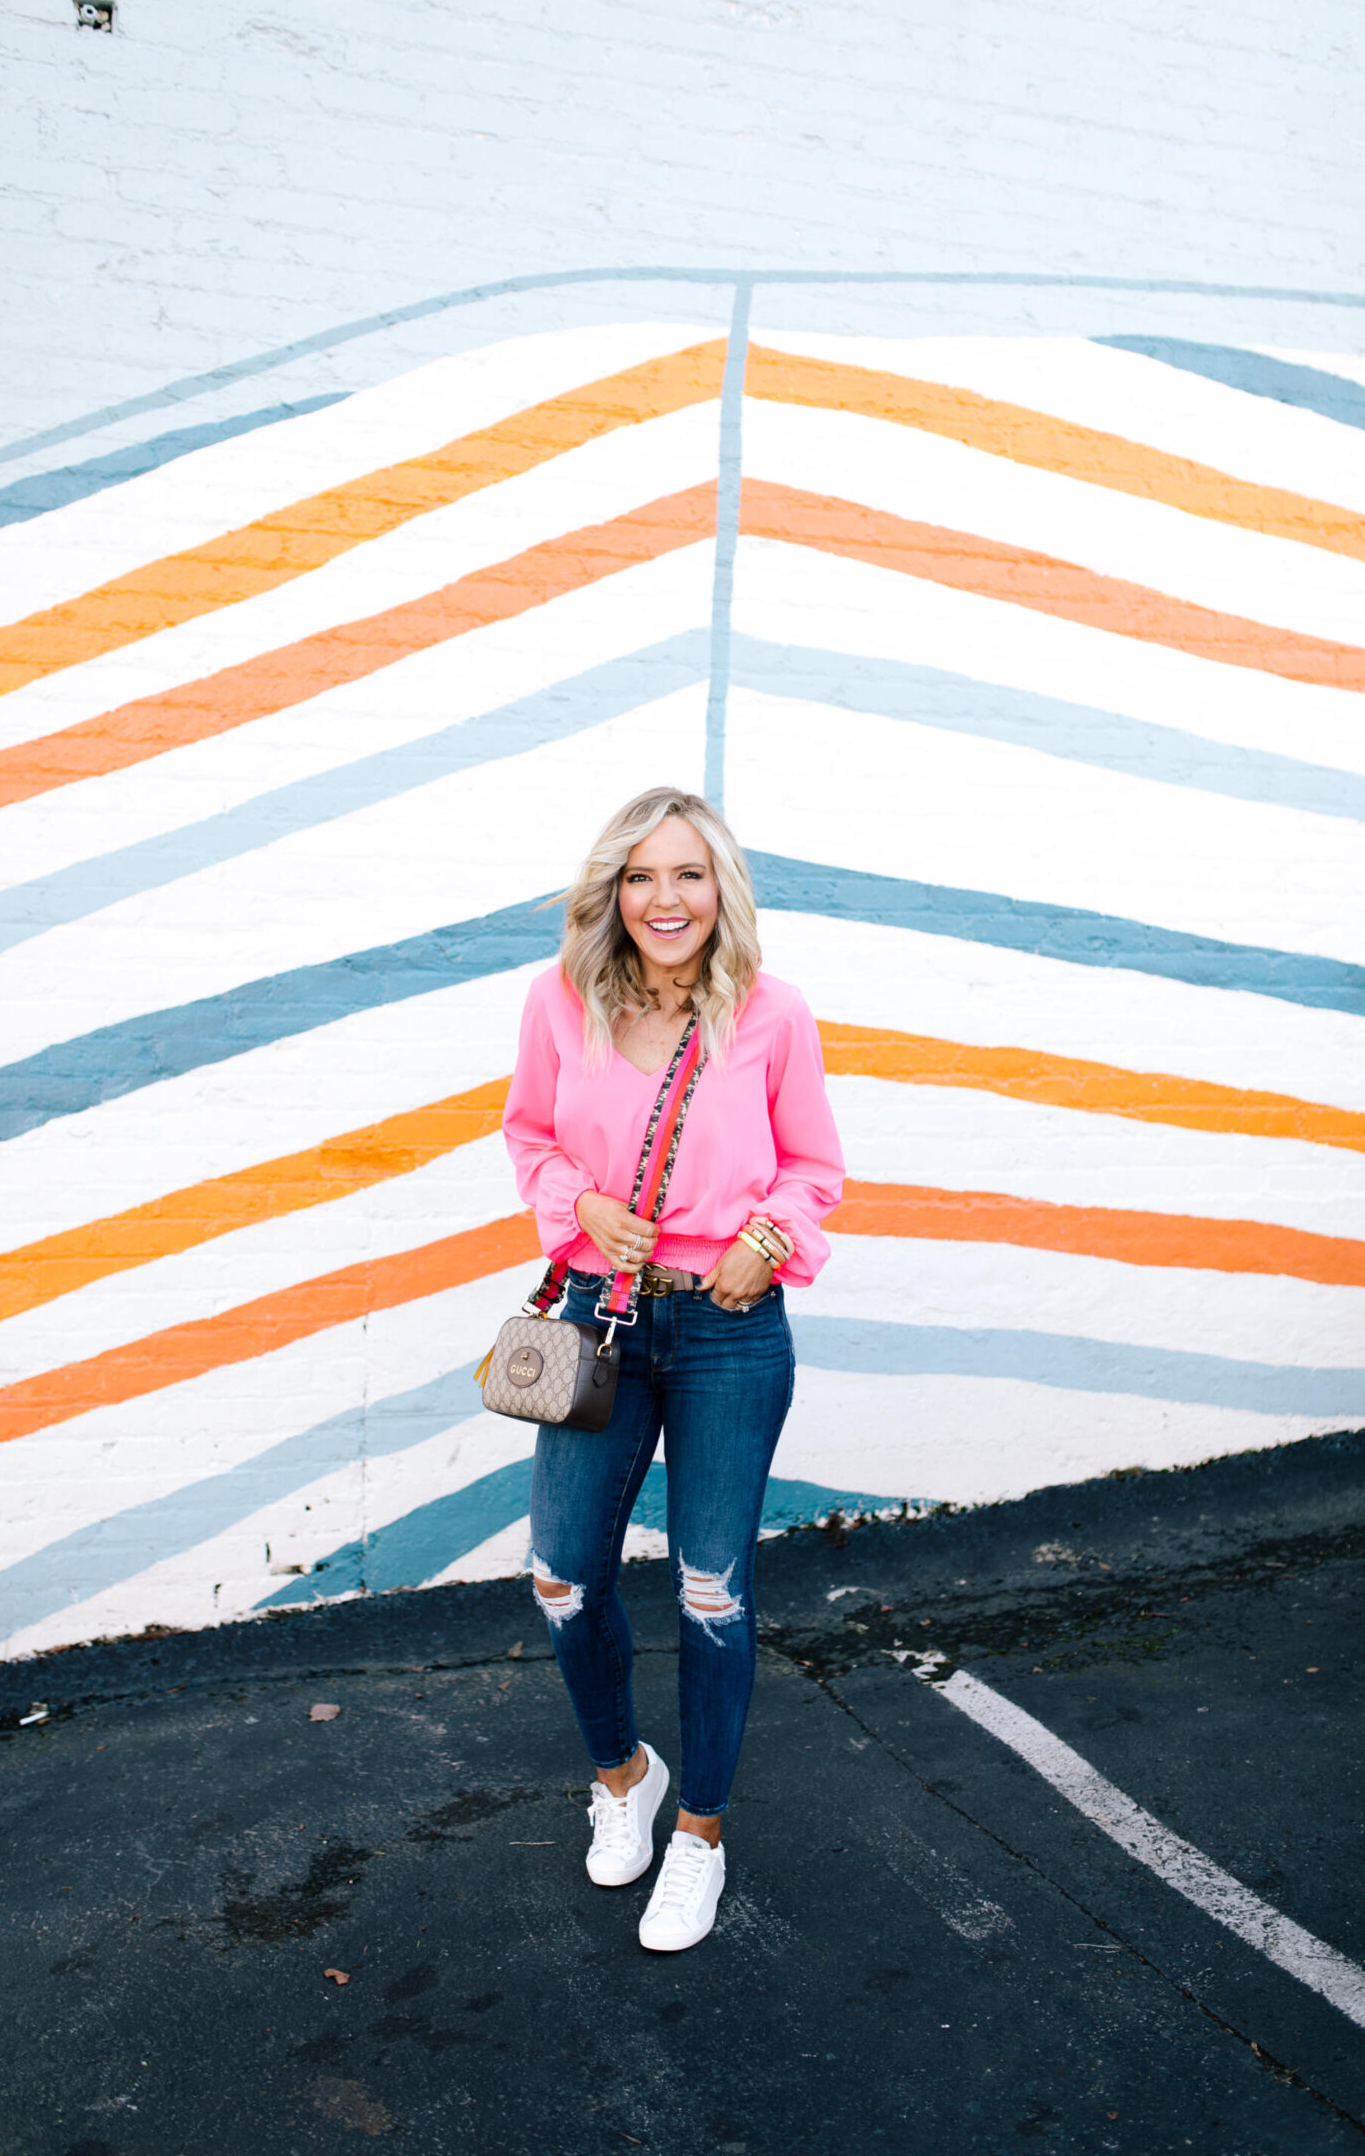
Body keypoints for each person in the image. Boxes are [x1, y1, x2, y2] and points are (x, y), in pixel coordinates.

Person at [501, 786, 844, 1952]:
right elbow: (529, 1137)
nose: (665, 898)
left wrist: (766, 1241)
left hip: (728, 1334)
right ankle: (623, 1777)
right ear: (612, 892)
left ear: (721, 889)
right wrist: (580, 1202)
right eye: (641, 876)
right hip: (601, 1320)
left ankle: (698, 1834)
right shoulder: (561, 1004)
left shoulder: (771, 1013)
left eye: (688, 875)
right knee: (561, 1578)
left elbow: (812, 1169)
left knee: (711, 1590)